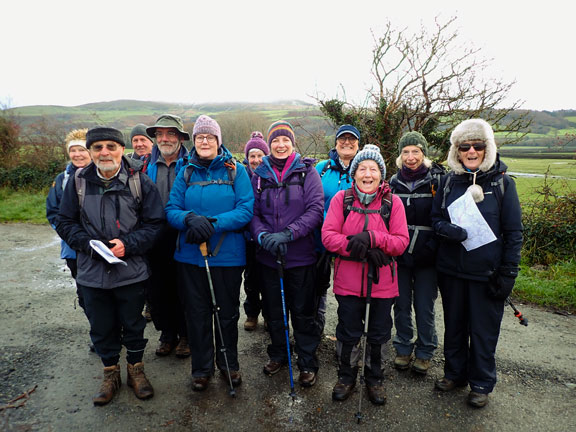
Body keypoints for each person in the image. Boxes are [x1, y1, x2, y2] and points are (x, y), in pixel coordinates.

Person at [56, 126, 165, 406]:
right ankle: (110, 373)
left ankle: (136, 370)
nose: (104, 152)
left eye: (111, 146)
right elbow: (64, 221)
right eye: (98, 147)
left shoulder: (139, 181)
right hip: (92, 271)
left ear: (121, 149)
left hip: (131, 270)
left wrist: (127, 245)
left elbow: (154, 224)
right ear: (91, 152)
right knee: (101, 325)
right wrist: (88, 245)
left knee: (134, 323)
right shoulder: (78, 182)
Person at [431, 118, 522, 408]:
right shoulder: (447, 182)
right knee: (455, 326)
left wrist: (508, 273)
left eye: (478, 145)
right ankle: (454, 374)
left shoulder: (502, 183)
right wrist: (448, 231)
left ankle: (481, 383)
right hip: (451, 271)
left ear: (488, 148)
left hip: (487, 273)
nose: (471, 151)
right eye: (464, 146)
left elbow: (514, 232)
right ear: (456, 151)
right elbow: (435, 220)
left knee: (483, 331)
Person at [165, 115, 253, 392]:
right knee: (196, 313)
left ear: (219, 141)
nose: (204, 141)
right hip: (190, 257)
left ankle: (228, 364)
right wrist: (190, 219)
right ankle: (201, 369)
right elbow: (171, 209)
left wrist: (212, 224)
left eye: (210, 137)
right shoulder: (185, 172)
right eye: (200, 137)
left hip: (228, 256)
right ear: (194, 141)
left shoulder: (235, 171)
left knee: (226, 313)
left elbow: (245, 210)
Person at [322, 144, 409, 405]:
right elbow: (328, 237)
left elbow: (401, 242)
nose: (367, 174)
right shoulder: (342, 200)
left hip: (382, 283)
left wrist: (373, 237)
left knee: (379, 334)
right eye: (362, 168)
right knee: (348, 332)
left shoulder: (393, 203)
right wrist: (357, 247)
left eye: (373, 169)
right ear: (354, 172)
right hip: (348, 283)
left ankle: (375, 380)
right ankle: (346, 377)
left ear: (381, 174)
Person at [250, 120, 324, 387]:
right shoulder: (260, 174)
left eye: (285, 141)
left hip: (301, 256)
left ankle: (306, 361)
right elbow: (253, 213)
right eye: (275, 141)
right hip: (268, 256)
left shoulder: (307, 172)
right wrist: (263, 236)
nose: (280, 145)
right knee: (273, 311)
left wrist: (289, 234)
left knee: (303, 312)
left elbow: (316, 210)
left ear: (293, 143)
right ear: (269, 145)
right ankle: (279, 354)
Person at [389, 131, 445, 374]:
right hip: (399, 254)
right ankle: (403, 347)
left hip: (427, 256)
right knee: (401, 304)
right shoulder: (392, 182)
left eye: (416, 151)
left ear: (424, 153)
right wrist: (395, 248)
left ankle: (425, 351)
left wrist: (430, 249)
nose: (411, 157)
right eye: (406, 152)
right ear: (400, 156)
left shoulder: (437, 181)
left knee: (424, 305)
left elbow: (444, 217)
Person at [145, 114, 191, 358]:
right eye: (159, 134)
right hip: (154, 237)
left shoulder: (192, 163)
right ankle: (167, 334)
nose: (164, 138)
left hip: (183, 234)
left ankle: (186, 335)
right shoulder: (144, 165)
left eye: (170, 133)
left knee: (185, 288)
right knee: (158, 289)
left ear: (181, 138)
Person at [314, 124, 361, 332]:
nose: (347, 143)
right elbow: (312, 202)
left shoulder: (365, 169)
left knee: (349, 290)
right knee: (318, 288)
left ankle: (347, 338)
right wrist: (329, 224)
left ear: (358, 144)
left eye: (352, 139)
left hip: (352, 241)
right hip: (320, 238)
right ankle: (315, 330)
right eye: (343, 139)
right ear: (336, 143)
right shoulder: (321, 169)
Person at [46, 128, 91, 315]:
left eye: (82, 149)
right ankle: (101, 334)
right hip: (73, 249)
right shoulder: (62, 179)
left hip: (102, 246)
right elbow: (53, 212)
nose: (77, 154)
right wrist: (72, 236)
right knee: (84, 293)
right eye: (73, 150)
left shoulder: (103, 176)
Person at [241, 131, 269, 331]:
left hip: (267, 236)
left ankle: (269, 314)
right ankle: (252, 313)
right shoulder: (241, 176)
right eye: (252, 156)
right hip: (247, 238)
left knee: (269, 278)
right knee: (250, 278)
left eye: (260, 155)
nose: (256, 160)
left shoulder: (271, 177)